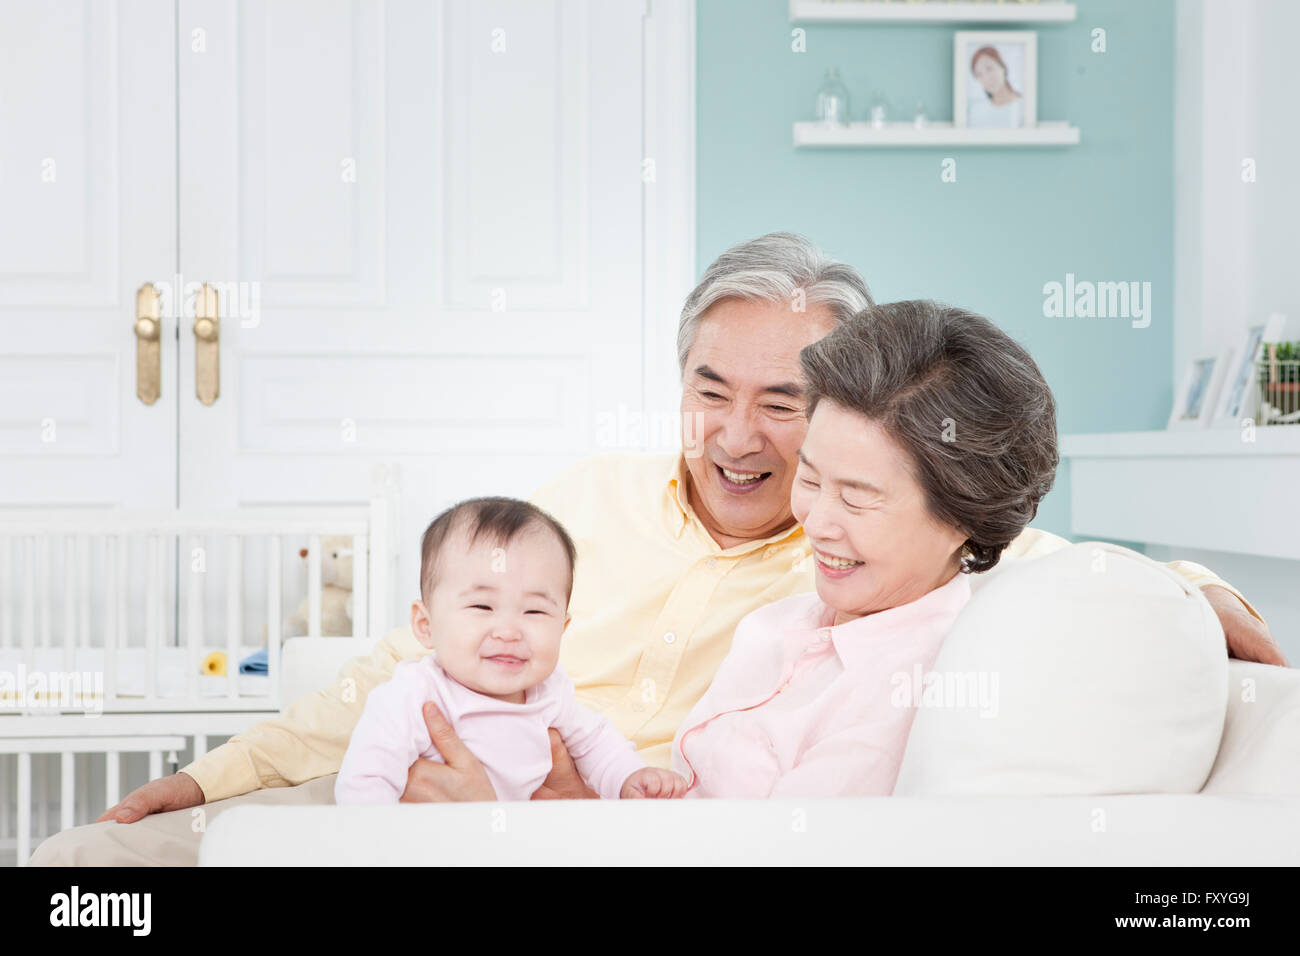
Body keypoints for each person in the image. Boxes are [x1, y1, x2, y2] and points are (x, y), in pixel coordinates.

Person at [29, 233, 1283, 866]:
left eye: (784, 404)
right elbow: (398, 669)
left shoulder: (857, 552)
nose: (739, 439)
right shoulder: (589, 501)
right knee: (88, 864)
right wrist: (214, 774)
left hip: (537, 836)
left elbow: (1033, 556)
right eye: (707, 388)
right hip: (394, 790)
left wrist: (1193, 588)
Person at [674, 301, 1056, 796]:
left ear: (965, 514)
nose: (816, 522)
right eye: (809, 477)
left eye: (857, 498)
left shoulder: (910, 695)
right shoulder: (783, 623)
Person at [335, 497, 685, 803]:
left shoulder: (550, 692)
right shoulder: (416, 694)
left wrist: (628, 778)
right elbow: (366, 779)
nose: (508, 632)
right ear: (426, 625)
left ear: (563, 628)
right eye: (482, 607)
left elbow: (596, 743)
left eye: (534, 611)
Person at [968, 45, 1024, 129]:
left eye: (989, 68)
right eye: (979, 74)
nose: (986, 78)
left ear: (1002, 67)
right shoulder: (976, 111)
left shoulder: (1024, 107)